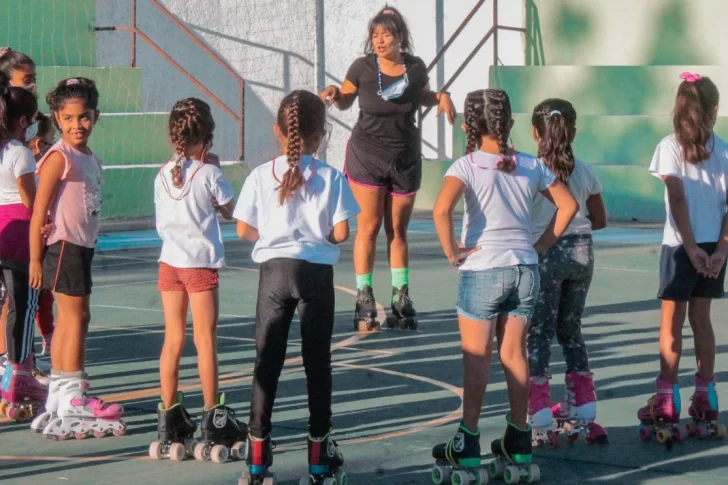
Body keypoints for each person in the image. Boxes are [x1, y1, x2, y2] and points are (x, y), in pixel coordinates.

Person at [430, 89, 577, 480]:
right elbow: (569, 205)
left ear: (469, 126)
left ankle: (468, 438)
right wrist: (541, 246)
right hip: (525, 269)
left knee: (476, 357)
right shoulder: (530, 164)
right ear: (510, 124)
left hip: (483, 268)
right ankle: (519, 435)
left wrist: (453, 252)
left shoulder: (467, 166)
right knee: (515, 354)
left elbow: (441, 209)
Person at [234, 90, 359, 484]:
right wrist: (320, 236)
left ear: (277, 131)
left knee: (266, 361)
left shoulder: (259, 175)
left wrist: (271, 235)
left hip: (273, 272)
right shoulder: (330, 177)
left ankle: (257, 454)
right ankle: (319, 456)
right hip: (316, 273)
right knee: (317, 364)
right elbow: (341, 232)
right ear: (321, 134)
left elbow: (242, 229)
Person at [319, 5, 455, 331]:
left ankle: (401, 298)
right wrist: (335, 95)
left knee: (398, 232)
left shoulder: (415, 67)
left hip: (405, 157)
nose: (379, 40)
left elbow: (423, 96)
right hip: (367, 155)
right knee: (369, 227)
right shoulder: (363, 68)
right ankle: (364, 298)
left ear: (400, 37)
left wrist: (442, 97)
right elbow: (346, 98)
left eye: (386, 34)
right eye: (375, 34)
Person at [28, 77, 126, 439]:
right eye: (68, 119)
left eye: (83, 117)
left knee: (75, 316)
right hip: (64, 246)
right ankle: (72, 394)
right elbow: (39, 213)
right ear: (56, 117)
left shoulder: (89, 157)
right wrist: (37, 260)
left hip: (81, 246)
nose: (76, 125)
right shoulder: (59, 157)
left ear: (95, 116)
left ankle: (59, 391)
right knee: (75, 316)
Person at [152, 97, 246, 462]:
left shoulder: (161, 173)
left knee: (173, 338)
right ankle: (213, 418)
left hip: (169, 263)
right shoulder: (209, 174)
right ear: (205, 138)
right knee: (205, 339)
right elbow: (229, 212)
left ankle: (169, 416)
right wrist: (216, 170)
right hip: (200, 264)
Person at [638, 72, 728, 442]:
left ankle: (666, 399)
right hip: (711, 248)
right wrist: (721, 248)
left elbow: (676, 198)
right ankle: (706, 396)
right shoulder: (723, 149)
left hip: (681, 247)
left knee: (671, 327)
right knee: (702, 321)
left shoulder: (669, 146)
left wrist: (689, 246)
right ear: (714, 109)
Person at [526, 98, 609, 447]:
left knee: (539, 332)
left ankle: (539, 411)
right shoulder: (586, 171)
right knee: (571, 329)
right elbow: (600, 220)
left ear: (534, 133)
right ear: (574, 131)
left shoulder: (531, 170)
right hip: (582, 252)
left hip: (546, 251)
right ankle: (584, 407)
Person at [0, 76, 46, 422]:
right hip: (19, 234)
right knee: (24, 304)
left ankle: (9, 369)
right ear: (23, 122)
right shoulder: (19, 153)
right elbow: (31, 200)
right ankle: (20, 372)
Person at [25, 112, 56, 357]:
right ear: (39, 144)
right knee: (30, 300)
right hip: (26, 248)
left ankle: (46, 341)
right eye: (51, 140)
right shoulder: (32, 174)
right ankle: (22, 360)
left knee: (40, 298)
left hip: (37, 242)